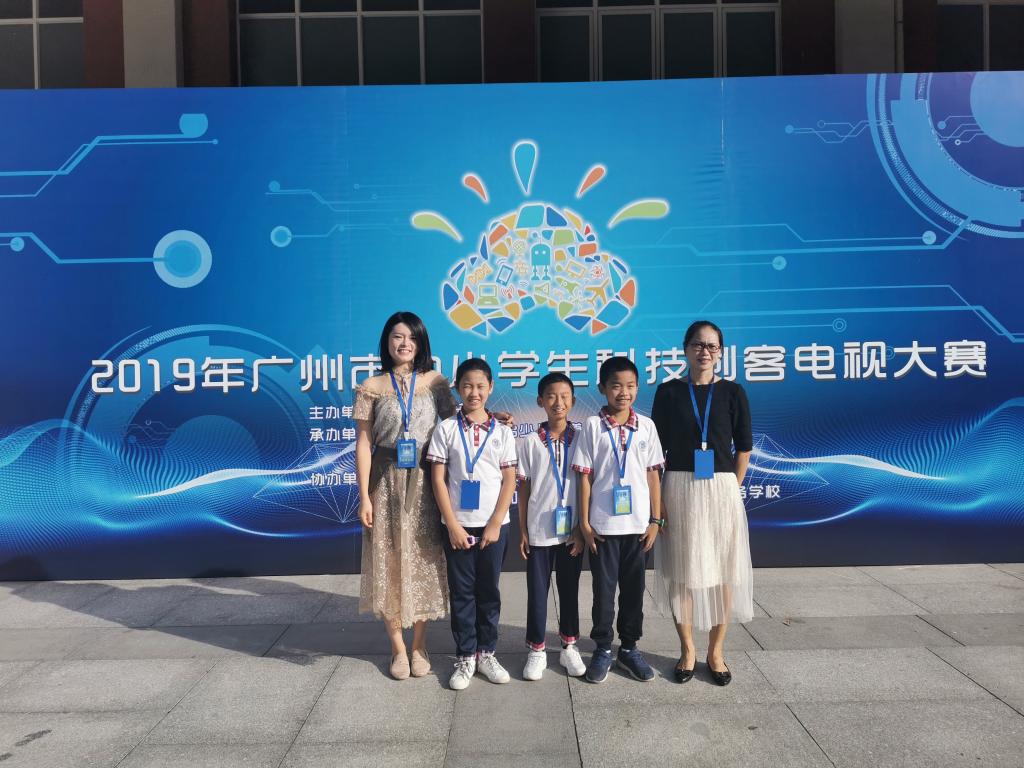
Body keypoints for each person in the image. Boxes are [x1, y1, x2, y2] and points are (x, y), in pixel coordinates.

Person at [652, 320, 754, 686]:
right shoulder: (668, 392)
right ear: (685, 349)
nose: (704, 352)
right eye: (698, 344)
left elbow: (744, 448)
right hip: (679, 488)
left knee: (723, 573)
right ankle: (687, 650)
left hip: (721, 490)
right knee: (681, 573)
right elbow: (655, 452)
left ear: (720, 352)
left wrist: (731, 489)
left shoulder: (733, 393)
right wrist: (658, 503)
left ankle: (716, 652)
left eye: (712, 346)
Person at [354, 311, 455, 680]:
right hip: (385, 484)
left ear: (421, 342)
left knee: (424, 562)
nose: (404, 343)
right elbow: (363, 443)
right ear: (387, 341)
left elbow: (456, 426)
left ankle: (419, 646)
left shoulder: (435, 382)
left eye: (411, 337)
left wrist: (493, 420)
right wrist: (364, 496)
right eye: (397, 336)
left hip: (428, 483)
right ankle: (398, 648)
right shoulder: (372, 386)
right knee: (389, 562)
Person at [427, 358, 518, 690]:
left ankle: (486, 653)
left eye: (480, 386)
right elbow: (438, 479)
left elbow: (509, 480)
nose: (474, 392)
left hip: (495, 527)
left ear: (491, 388)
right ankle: (466, 655)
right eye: (467, 386)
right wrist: (452, 525)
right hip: (458, 526)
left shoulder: (503, 432)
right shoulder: (446, 430)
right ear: (457, 389)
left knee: (489, 592)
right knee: (462, 593)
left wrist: (495, 523)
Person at [573, 356, 665, 684]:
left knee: (634, 592)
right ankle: (602, 648)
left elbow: (653, 475)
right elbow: (584, 477)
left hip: (639, 528)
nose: (623, 392)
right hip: (603, 528)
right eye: (615, 386)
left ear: (637, 388)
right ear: (602, 388)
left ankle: (628, 648)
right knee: (603, 591)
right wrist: (585, 524)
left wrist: (655, 520)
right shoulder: (592, 426)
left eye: (630, 386)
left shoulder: (647, 427)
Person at [516, 372, 587, 681]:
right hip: (539, 530)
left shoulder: (582, 439)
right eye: (551, 396)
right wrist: (523, 530)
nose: (558, 402)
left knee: (570, 589)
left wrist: (582, 528)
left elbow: (588, 484)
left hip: (572, 531)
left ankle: (569, 646)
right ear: (540, 401)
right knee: (537, 592)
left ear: (573, 400)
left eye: (564, 396)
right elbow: (524, 488)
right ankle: (537, 649)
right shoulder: (531, 442)